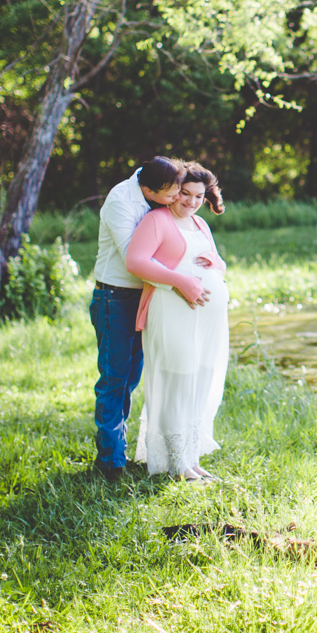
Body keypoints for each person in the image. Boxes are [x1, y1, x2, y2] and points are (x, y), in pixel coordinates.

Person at [124, 162, 229, 481]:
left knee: (198, 380)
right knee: (175, 382)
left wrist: (217, 264)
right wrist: (180, 282)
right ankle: (174, 462)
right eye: (185, 194)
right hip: (171, 313)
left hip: (206, 321)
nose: (192, 201)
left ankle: (190, 457)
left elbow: (217, 264)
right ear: (174, 191)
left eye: (199, 196)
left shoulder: (200, 224)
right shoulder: (157, 220)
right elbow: (136, 261)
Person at [88, 155, 188, 481]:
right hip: (115, 298)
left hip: (144, 296)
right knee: (114, 380)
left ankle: (116, 452)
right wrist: (181, 277)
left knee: (130, 378)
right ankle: (110, 464)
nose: (177, 198)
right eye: (171, 194)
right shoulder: (121, 201)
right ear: (148, 189)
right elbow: (137, 258)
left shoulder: (156, 195)